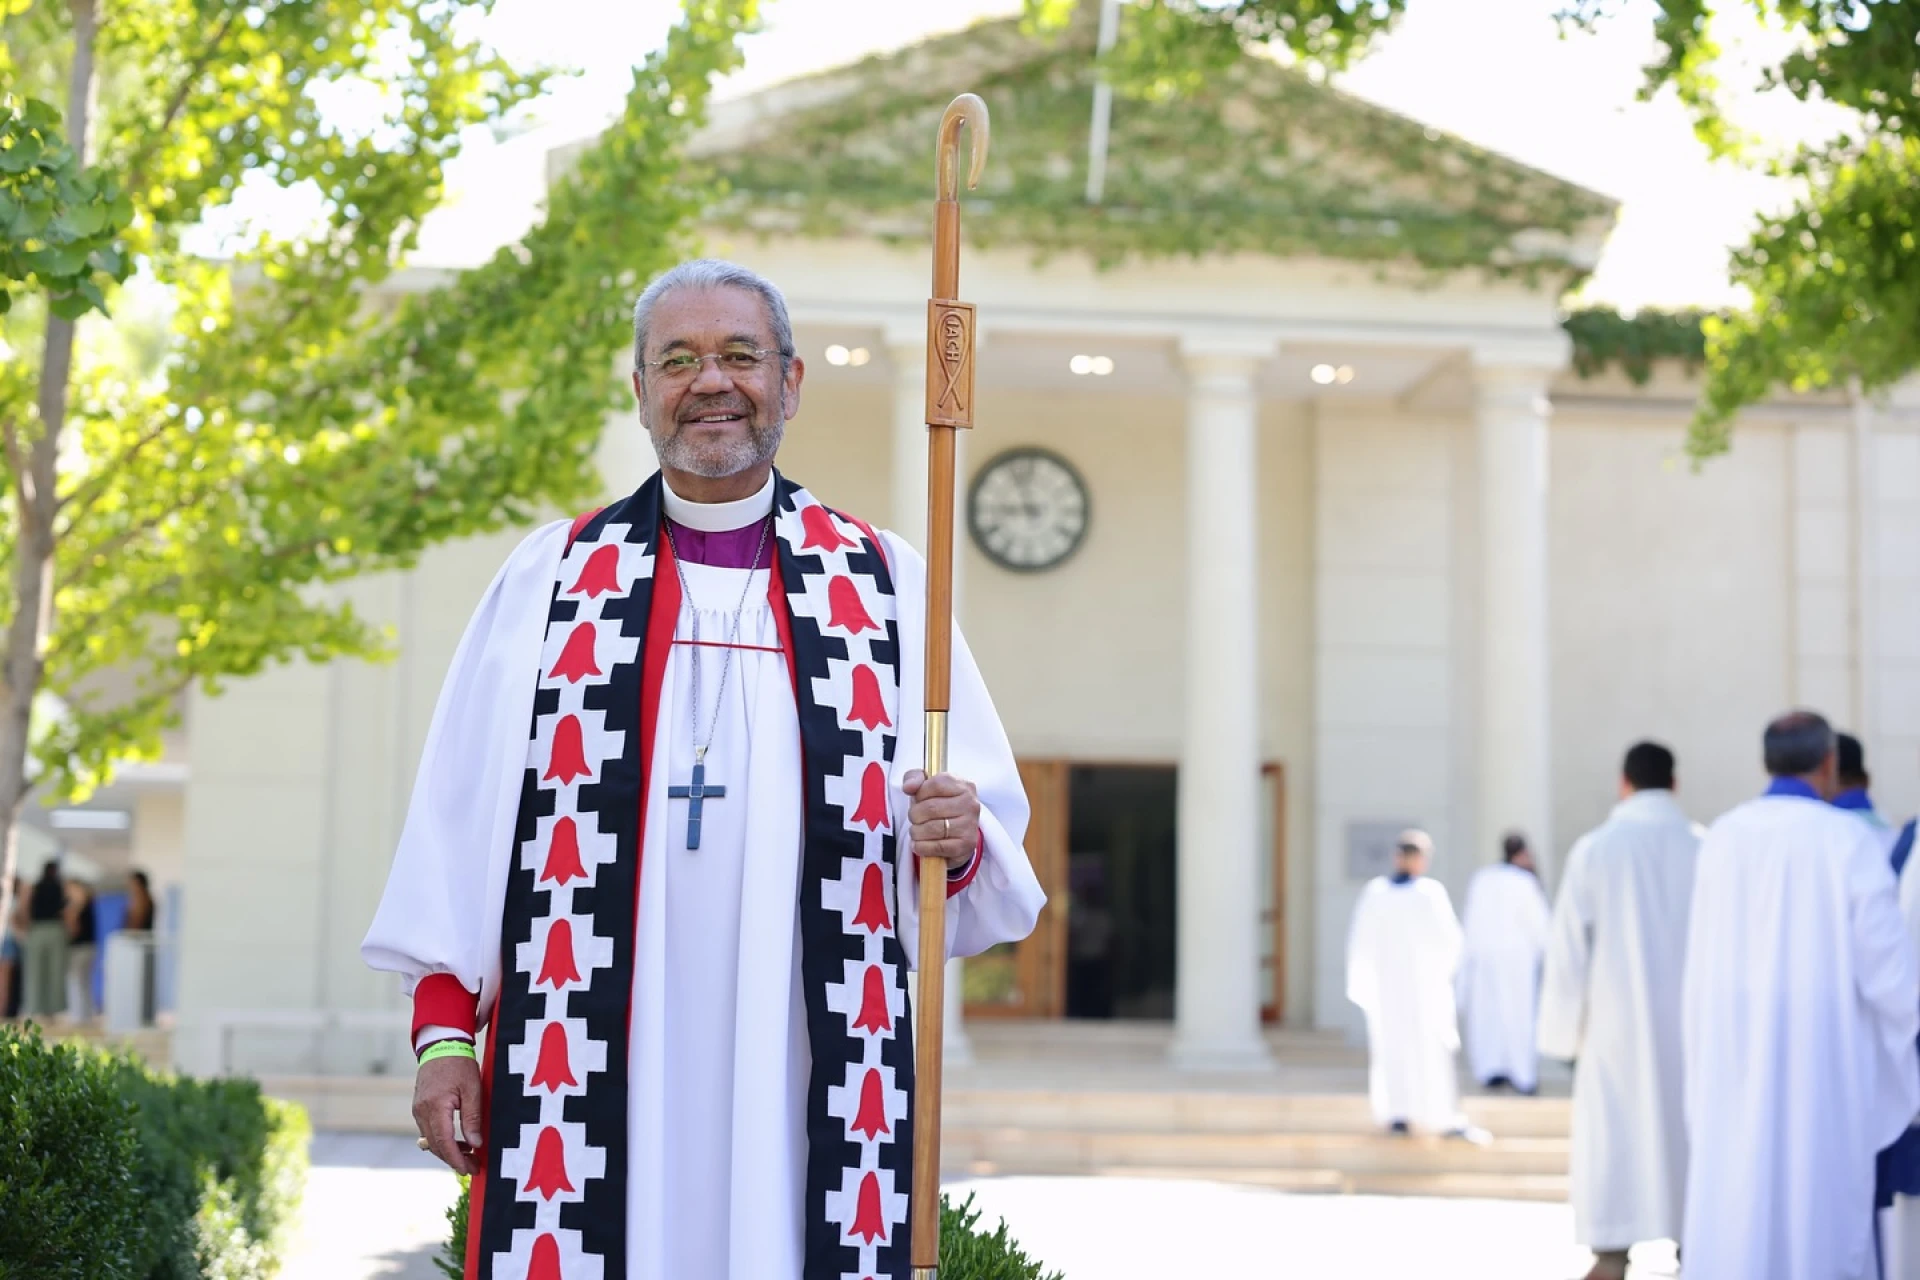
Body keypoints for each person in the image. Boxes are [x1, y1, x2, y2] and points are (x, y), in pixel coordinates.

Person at [362, 259, 1046, 1280]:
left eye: (739, 354)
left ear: (793, 380)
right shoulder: (552, 579)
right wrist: (443, 1042)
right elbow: (458, 827)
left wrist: (957, 836)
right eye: (676, 359)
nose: (710, 381)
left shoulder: (886, 582)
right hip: (591, 1045)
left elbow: (971, 846)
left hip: (803, 1051)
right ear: (639, 390)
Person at [1681, 711, 1919, 1280]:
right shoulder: (1847, 841)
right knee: (1820, 1215)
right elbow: (1891, 977)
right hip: (1823, 1071)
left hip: (1734, 1064)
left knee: (1737, 1205)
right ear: (1830, 763)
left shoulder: (1721, 837)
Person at [1537, 741, 1700, 1280]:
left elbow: (1566, 954)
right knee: (1690, 1139)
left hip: (1614, 1032)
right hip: (1694, 1034)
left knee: (1616, 1141)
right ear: (1674, 785)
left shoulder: (1596, 849)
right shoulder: (1705, 847)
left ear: (1623, 783)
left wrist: (1561, 1037)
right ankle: (1694, 1250)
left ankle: (1611, 1255)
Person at [1345, 829, 1480, 1139]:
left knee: (1407, 1050)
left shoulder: (1377, 894)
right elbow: (1452, 943)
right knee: (1419, 1051)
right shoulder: (1426, 894)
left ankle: (1404, 1114)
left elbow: (1360, 945)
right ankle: (1421, 1115)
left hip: (1402, 990)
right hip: (1417, 991)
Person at [1456, 831, 1552, 1094]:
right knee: (1517, 1016)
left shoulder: (1482, 879)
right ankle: (1522, 1074)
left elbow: (1471, 921)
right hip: (1516, 960)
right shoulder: (1524, 882)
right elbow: (1539, 926)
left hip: (1485, 958)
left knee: (1488, 1015)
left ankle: (1491, 1070)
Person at [23, 861, 69, 1020]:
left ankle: (36, 1008)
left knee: (36, 971)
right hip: (53, 928)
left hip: (38, 929)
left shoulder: (37, 887)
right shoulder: (59, 887)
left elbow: (26, 908)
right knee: (54, 971)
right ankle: (52, 1010)